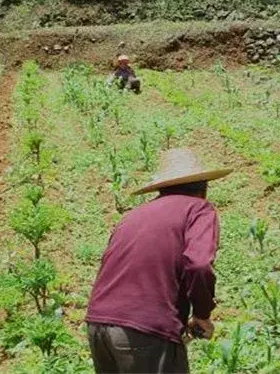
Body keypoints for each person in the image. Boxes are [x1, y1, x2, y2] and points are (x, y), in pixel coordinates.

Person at [86, 148, 232, 373]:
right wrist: (202, 314)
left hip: (98, 325)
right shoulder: (198, 209)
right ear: (203, 186)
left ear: (162, 187)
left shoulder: (134, 215)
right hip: (144, 331)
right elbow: (199, 265)